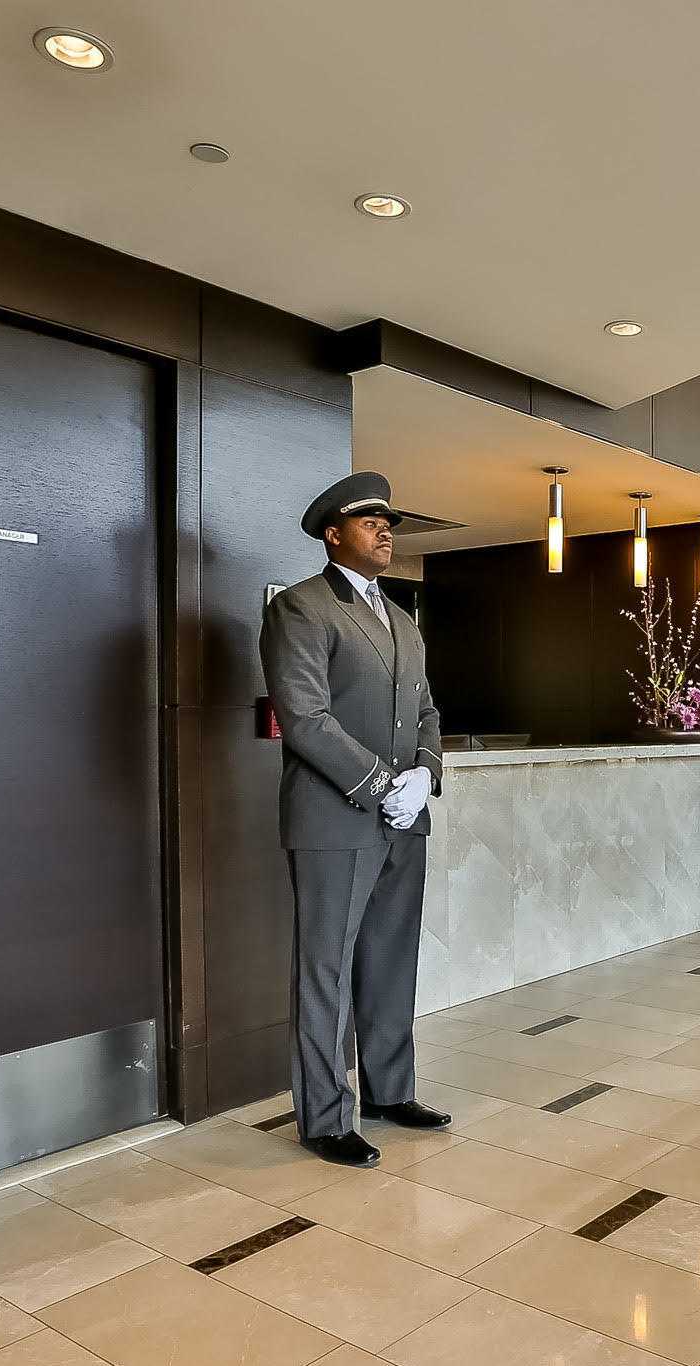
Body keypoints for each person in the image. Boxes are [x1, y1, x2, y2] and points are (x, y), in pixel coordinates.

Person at [259, 471, 449, 1167]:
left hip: (403, 819)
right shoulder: (301, 609)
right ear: (333, 533)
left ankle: (389, 1089)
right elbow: (305, 719)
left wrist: (424, 773)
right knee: (325, 969)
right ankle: (323, 1116)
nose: (385, 530)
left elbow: (427, 710)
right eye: (370, 521)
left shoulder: (401, 619)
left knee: (390, 960)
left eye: (389, 522)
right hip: (334, 820)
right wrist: (380, 785)